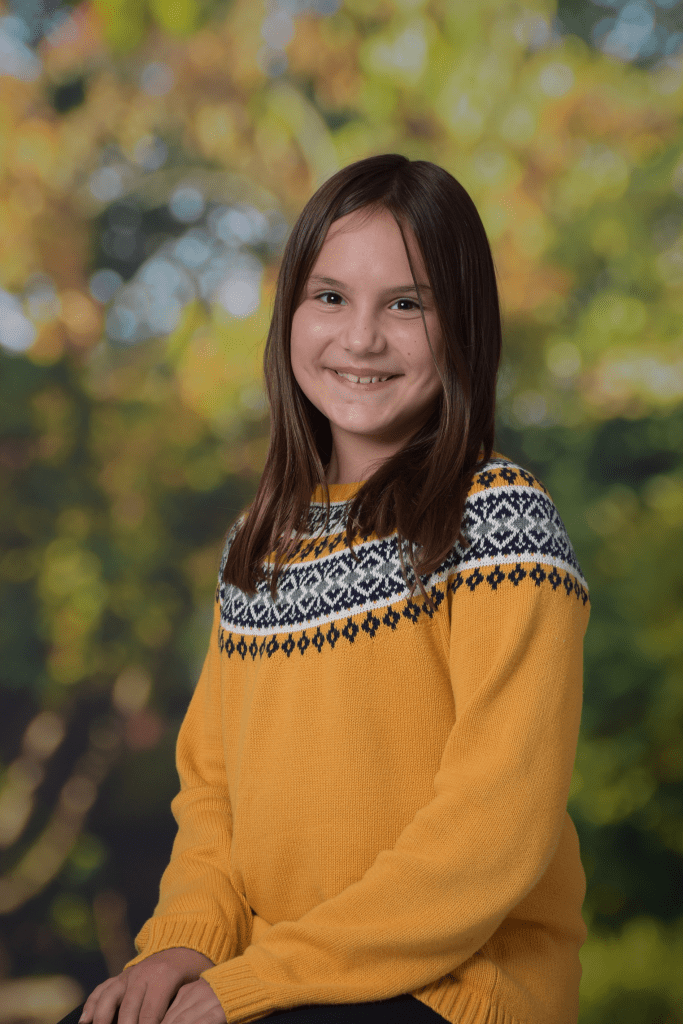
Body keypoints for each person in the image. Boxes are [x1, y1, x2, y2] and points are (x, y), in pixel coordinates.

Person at [66, 154, 590, 1024]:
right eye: (331, 296)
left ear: (463, 323)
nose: (361, 338)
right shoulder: (258, 542)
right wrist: (185, 943)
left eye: (407, 304)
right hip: (279, 969)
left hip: (452, 987)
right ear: (290, 314)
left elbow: (493, 828)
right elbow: (212, 795)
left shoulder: (501, 521)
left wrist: (261, 980)